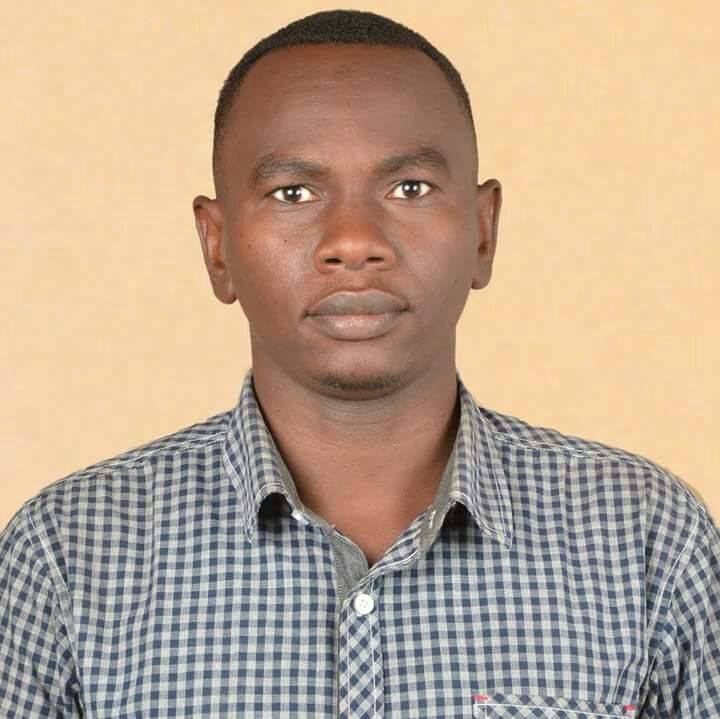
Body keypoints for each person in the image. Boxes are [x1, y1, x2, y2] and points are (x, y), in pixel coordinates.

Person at [1, 9, 718, 718]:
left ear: (483, 231)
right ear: (217, 248)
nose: (353, 241)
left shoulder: (649, 540)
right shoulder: (66, 557)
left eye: (409, 188)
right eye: (293, 193)